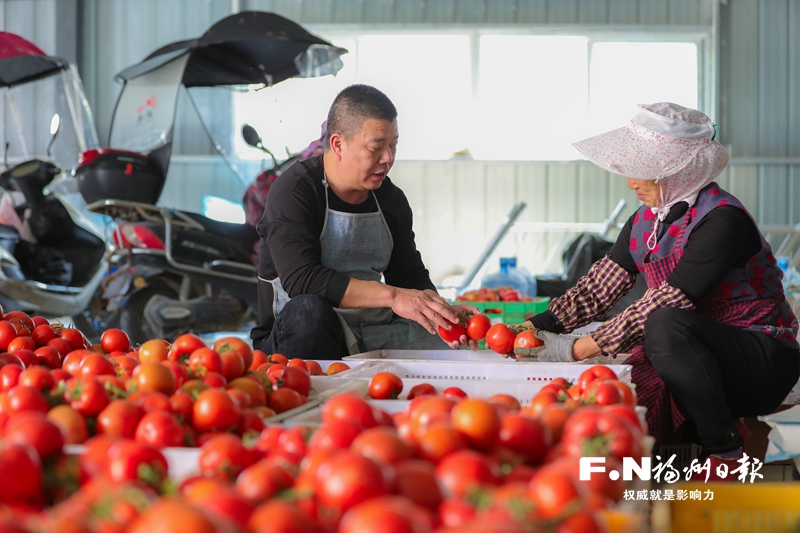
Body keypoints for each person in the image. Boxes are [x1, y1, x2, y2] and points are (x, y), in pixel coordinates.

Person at [524, 102, 800, 472]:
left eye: (644, 172)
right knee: (634, 388)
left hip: (761, 356)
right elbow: (598, 288)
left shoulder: (722, 220)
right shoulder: (645, 222)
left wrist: (577, 349)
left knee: (663, 324)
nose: (631, 183)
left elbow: (668, 302)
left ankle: (726, 452)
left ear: (678, 171)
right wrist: (535, 328)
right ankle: (705, 447)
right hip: (699, 352)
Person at [250, 84, 476, 359]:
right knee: (308, 312)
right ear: (338, 144)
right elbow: (302, 279)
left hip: (371, 329)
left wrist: (439, 311)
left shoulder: (391, 198)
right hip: (301, 333)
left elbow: (407, 274)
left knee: (441, 341)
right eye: (376, 148)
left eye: (393, 146)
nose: (388, 159)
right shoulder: (295, 191)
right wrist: (394, 297)